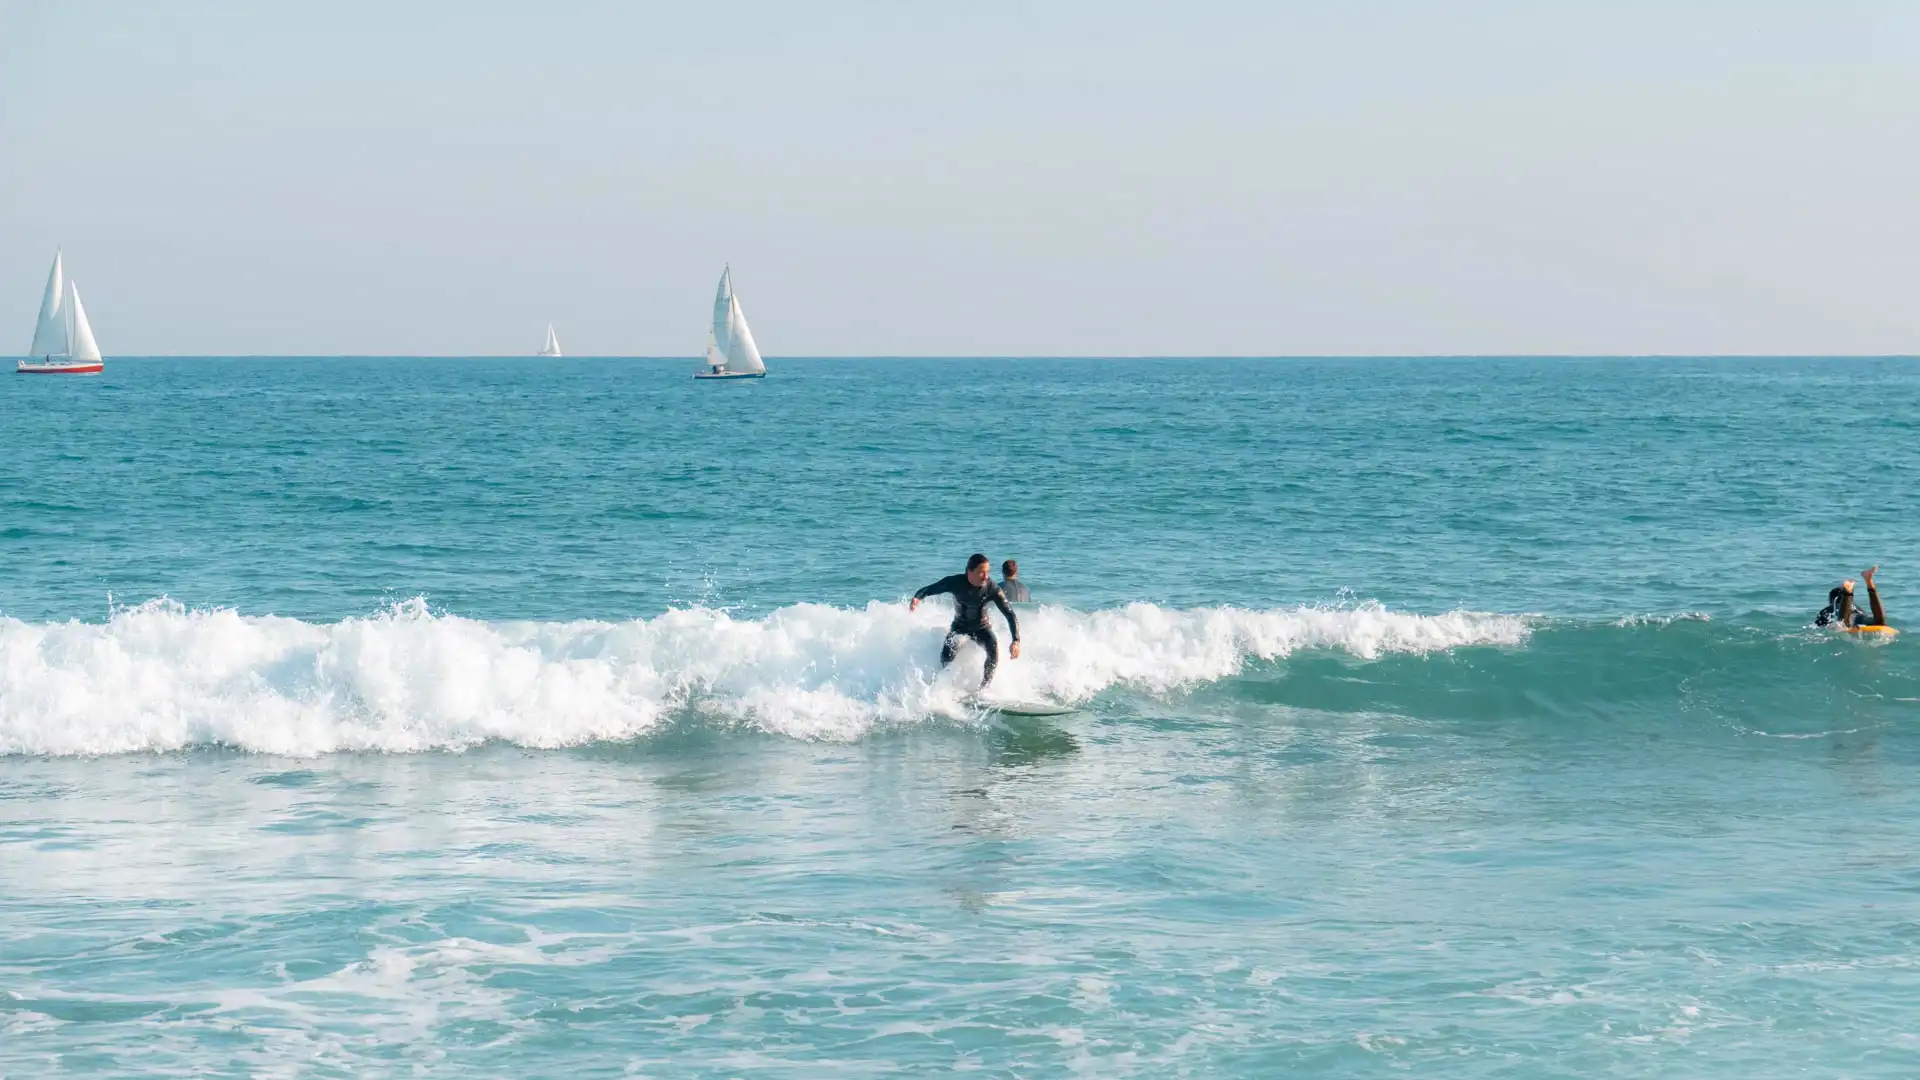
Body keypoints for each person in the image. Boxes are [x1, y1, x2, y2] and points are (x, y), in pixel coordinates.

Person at [911, 553, 1021, 685]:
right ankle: (944, 685)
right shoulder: (955, 582)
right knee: (947, 653)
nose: (986, 576)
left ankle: (984, 688)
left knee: (993, 650)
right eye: (981, 572)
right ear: (969, 571)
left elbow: (1010, 614)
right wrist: (917, 598)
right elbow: (931, 589)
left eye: (987, 572)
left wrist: (1016, 640)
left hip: (982, 628)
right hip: (959, 627)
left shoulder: (992, 588)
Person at [1817, 565, 1887, 629]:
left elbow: (1819, 627)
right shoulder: (1856, 607)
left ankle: (1848, 594)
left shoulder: (1828, 610)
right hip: (1860, 617)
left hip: (1849, 620)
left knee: (1843, 624)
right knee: (1879, 621)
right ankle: (1869, 581)